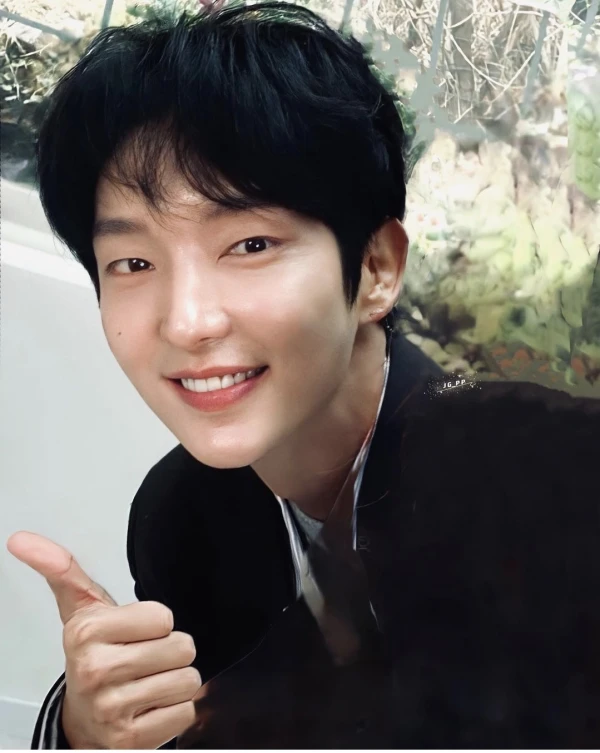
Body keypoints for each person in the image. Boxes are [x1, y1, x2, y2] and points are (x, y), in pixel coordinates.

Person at [6, 0, 600, 748]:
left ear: (376, 269)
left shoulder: (559, 486)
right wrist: (86, 730)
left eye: (251, 244)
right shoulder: (177, 519)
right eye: (132, 262)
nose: (187, 321)